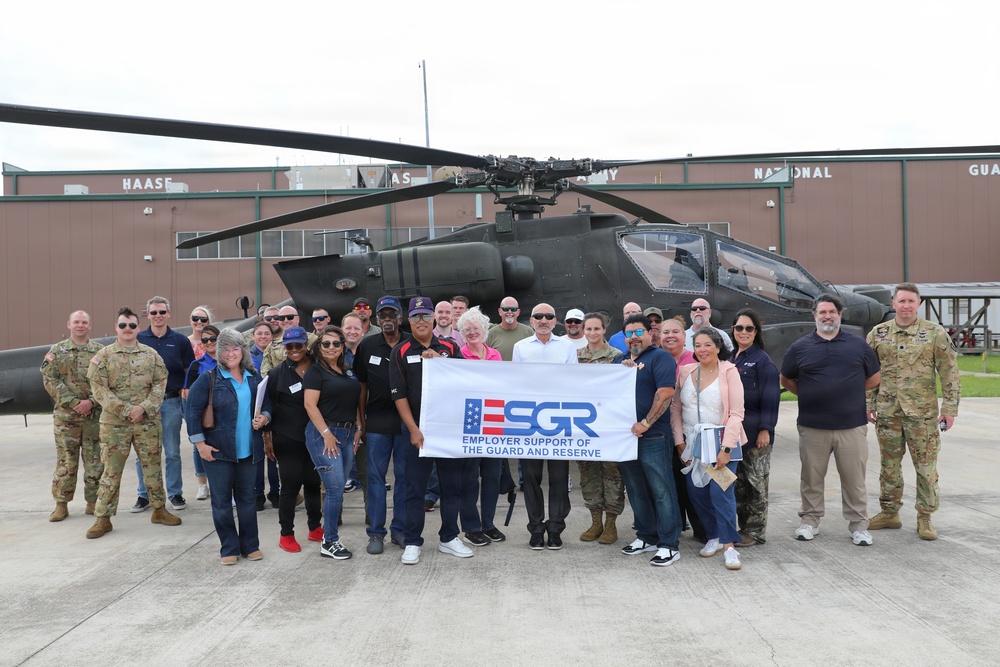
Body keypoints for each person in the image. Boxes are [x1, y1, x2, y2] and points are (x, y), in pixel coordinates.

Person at [781, 294, 881, 546]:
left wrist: (850, 393)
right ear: (814, 316)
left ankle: (859, 525)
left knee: (854, 480)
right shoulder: (799, 347)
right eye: (822, 312)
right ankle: (810, 520)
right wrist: (811, 393)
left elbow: (874, 378)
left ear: (840, 315)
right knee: (811, 479)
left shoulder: (858, 345)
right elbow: (787, 380)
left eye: (832, 312)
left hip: (852, 426)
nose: (827, 316)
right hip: (812, 427)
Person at [866, 283, 961, 541]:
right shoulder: (878, 333)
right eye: (901, 301)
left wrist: (949, 409)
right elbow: (868, 372)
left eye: (911, 301)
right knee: (889, 467)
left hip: (923, 415)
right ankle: (889, 512)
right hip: (888, 413)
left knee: (926, 468)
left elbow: (949, 372)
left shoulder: (935, 334)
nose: (906, 306)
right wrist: (869, 403)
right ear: (893, 304)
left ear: (918, 304)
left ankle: (925, 516)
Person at [390, 296, 474, 565]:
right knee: (415, 489)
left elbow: (464, 382)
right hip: (416, 433)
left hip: (446, 431)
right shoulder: (401, 351)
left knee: (452, 487)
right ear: (408, 321)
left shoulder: (450, 347)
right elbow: (399, 396)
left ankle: (449, 537)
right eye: (416, 317)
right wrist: (413, 429)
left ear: (435, 318)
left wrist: (440, 361)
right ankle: (413, 541)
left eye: (426, 316)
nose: (421, 321)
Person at [85, 306, 182, 538]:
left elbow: (161, 383)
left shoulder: (151, 354)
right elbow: (99, 389)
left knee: (152, 466)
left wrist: (144, 408)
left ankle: (159, 509)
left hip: (147, 421)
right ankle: (103, 518)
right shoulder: (104, 356)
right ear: (115, 328)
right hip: (114, 424)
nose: (126, 329)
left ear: (138, 328)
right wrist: (127, 410)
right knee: (111, 470)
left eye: (131, 325)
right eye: (122, 325)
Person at [186, 329, 270, 565]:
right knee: (222, 502)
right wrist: (200, 445)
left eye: (235, 348)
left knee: (247, 499)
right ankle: (229, 548)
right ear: (218, 351)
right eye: (225, 348)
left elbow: (267, 404)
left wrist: (265, 417)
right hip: (218, 451)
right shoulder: (208, 378)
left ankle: (250, 545)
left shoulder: (253, 377)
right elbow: (192, 413)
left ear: (243, 350)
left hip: (248, 451)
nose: (231, 353)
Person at [672, 327, 747, 570]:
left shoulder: (729, 371)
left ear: (718, 347)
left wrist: (725, 448)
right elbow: (675, 408)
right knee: (697, 493)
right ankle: (713, 536)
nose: (702, 350)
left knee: (721, 493)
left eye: (707, 345)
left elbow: (736, 413)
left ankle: (729, 546)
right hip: (692, 442)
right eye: (698, 345)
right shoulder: (685, 371)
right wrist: (679, 441)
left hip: (720, 441)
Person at [617, 314, 683, 567]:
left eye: (638, 332)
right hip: (625, 439)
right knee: (636, 489)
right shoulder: (619, 361)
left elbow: (666, 393)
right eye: (629, 333)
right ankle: (646, 536)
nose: (634, 337)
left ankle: (669, 544)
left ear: (649, 333)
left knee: (662, 490)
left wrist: (645, 423)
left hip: (653, 435)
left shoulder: (660, 357)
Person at [512, 302, 578, 550]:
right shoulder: (520, 348)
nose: (543, 320)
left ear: (555, 321)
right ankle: (536, 529)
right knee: (530, 478)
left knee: (559, 478)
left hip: (559, 421)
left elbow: (573, 381)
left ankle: (556, 528)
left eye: (548, 316)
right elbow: (516, 383)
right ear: (531, 321)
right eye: (538, 316)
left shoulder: (567, 347)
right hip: (530, 421)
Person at [303, 325, 363, 561]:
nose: (330, 348)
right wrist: (327, 433)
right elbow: (310, 405)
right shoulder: (315, 372)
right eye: (325, 343)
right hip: (324, 434)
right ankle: (329, 541)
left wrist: (358, 427)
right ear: (319, 346)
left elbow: (354, 401)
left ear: (342, 346)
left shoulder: (347, 372)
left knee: (338, 489)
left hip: (347, 434)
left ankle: (331, 538)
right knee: (335, 488)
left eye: (336, 343)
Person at [355, 296, 409, 554]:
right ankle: (376, 533)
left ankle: (399, 529)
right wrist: (361, 421)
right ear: (377, 319)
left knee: (404, 477)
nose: (387, 319)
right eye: (383, 315)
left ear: (400, 318)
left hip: (407, 422)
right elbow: (361, 386)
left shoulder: (411, 343)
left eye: (392, 315)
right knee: (375, 479)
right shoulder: (367, 346)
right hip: (376, 423)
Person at [41, 310, 104, 522]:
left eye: (84, 322)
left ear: (90, 325)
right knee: (66, 462)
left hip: (93, 417)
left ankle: (93, 502)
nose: (80, 325)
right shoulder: (57, 351)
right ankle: (61, 504)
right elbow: (50, 380)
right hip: (66, 418)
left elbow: (106, 382)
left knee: (95, 461)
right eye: (76, 322)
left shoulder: (100, 352)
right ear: (69, 324)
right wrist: (75, 403)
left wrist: (91, 402)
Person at [265, 326, 323, 553]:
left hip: (314, 437)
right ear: (284, 348)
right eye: (290, 346)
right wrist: (267, 438)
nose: (295, 349)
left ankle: (314, 527)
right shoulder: (277, 373)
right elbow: (267, 406)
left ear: (305, 345)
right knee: (290, 486)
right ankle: (286, 533)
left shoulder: (318, 368)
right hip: (287, 437)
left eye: (299, 345)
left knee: (312, 483)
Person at [134, 296, 195, 513]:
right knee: (145, 452)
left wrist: (186, 390)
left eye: (162, 312)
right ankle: (144, 495)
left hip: (170, 402)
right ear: (147, 315)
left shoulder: (180, 340)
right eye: (153, 312)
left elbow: (189, 370)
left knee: (172, 451)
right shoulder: (138, 339)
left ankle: (175, 493)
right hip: (144, 405)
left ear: (169, 314)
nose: (158, 316)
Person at [730, 309, 779, 547]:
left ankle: (756, 531)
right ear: (733, 330)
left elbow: (771, 398)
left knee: (756, 485)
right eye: (739, 328)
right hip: (735, 434)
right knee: (739, 485)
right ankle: (743, 528)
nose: (744, 332)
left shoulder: (762, 361)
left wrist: (765, 429)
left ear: (756, 332)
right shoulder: (730, 358)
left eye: (749, 328)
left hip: (755, 433)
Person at [456, 306, 505, 544]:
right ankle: (471, 526)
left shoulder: (496, 355)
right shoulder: (459, 355)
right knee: (469, 477)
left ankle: (488, 523)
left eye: (475, 328)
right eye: (467, 330)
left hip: (494, 422)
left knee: (492, 477)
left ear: (484, 330)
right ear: (462, 333)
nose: (472, 333)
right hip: (471, 422)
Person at [576, 312, 623, 544]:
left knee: (612, 474)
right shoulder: (575, 357)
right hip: (584, 427)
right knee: (588, 473)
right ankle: (595, 522)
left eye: (597, 329)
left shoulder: (617, 357)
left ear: (604, 330)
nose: (592, 333)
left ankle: (611, 525)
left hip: (610, 427)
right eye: (588, 329)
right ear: (583, 331)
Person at [658, 315, 704, 542]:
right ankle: (674, 527)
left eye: (675, 332)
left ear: (684, 337)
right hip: (658, 430)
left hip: (688, 432)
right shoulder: (655, 359)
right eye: (666, 332)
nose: (670, 336)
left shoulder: (695, 360)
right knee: (670, 483)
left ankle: (701, 529)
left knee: (691, 484)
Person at [183, 324, 220, 501]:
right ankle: (202, 485)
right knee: (199, 448)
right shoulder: (197, 365)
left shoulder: (230, 360)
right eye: (205, 340)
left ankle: (223, 488)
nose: (209, 342)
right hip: (206, 413)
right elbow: (188, 392)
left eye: (213, 338)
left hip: (228, 413)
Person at [341, 311, 367, 497]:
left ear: (363, 331)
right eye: (348, 328)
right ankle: (350, 477)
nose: (352, 331)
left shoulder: (369, 351)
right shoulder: (334, 353)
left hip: (367, 408)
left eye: (356, 328)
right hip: (344, 411)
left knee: (366, 449)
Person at [486, 296, 534, 361]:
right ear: (500, 311)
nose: (509, 312)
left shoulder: (529, 332)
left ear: (518, 312)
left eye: (513, 309)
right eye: (505, 309)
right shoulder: (490, 334)